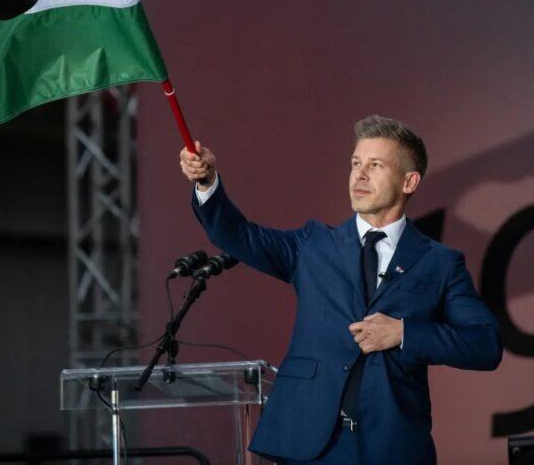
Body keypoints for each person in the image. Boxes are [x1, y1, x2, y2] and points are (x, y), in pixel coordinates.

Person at [179, 114, 502, 464]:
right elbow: (238, 235)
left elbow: (484, 344)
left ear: (409, 181)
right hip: (309, 445)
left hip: (391, 447)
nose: (360, 175)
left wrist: (403, 333)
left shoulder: (439, 262)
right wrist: (207, 183)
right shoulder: (313, 244)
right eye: (356, 163)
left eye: (375, 165)